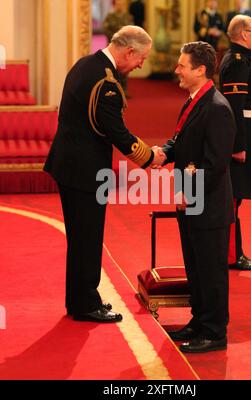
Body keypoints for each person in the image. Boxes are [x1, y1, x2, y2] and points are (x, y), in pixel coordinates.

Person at [44, 26, 165, 323]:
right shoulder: (106, 82)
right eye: (141, 58)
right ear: (128, 51)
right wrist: (150, 157)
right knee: (87, 237)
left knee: (79, 237)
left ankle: (79, 300)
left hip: (69, 164)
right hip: (85, 171)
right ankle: (86, 304)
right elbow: (116, 132)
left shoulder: (87, 63)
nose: (140, 65)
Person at [155, 41, 236, 353]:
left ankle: (215, 332)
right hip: (190, 200)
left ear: (200, 70)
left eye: (182, 65)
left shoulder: (216, 108)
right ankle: (199, 321)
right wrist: (165, 151)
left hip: (207, 204)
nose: (177, 69)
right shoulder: (194, 100)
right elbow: (181, 137)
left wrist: (190, 193)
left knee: (211, 270)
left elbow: (215, 164)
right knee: (196, 267)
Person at [219, 15, 251, 270]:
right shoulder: (237, 62)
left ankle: (234, 252)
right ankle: (230, 255)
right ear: (242, 34)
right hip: (244, 134)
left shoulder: (244, 59)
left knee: (236, 197)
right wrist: (238, 146)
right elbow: (234, 108)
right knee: (233, 197)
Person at [103, 0, 134, 96]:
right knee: (112, 68)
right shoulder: (110, 17)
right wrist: (115, 39)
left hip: (125, 46)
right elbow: (105, 29)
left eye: (121, 4)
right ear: (115, 5)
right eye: (118, 4)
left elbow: (132, 31)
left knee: (125, 69)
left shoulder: (128, 17)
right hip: (113, 46)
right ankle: (113, 90)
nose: (120, 6)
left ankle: (123, 90)